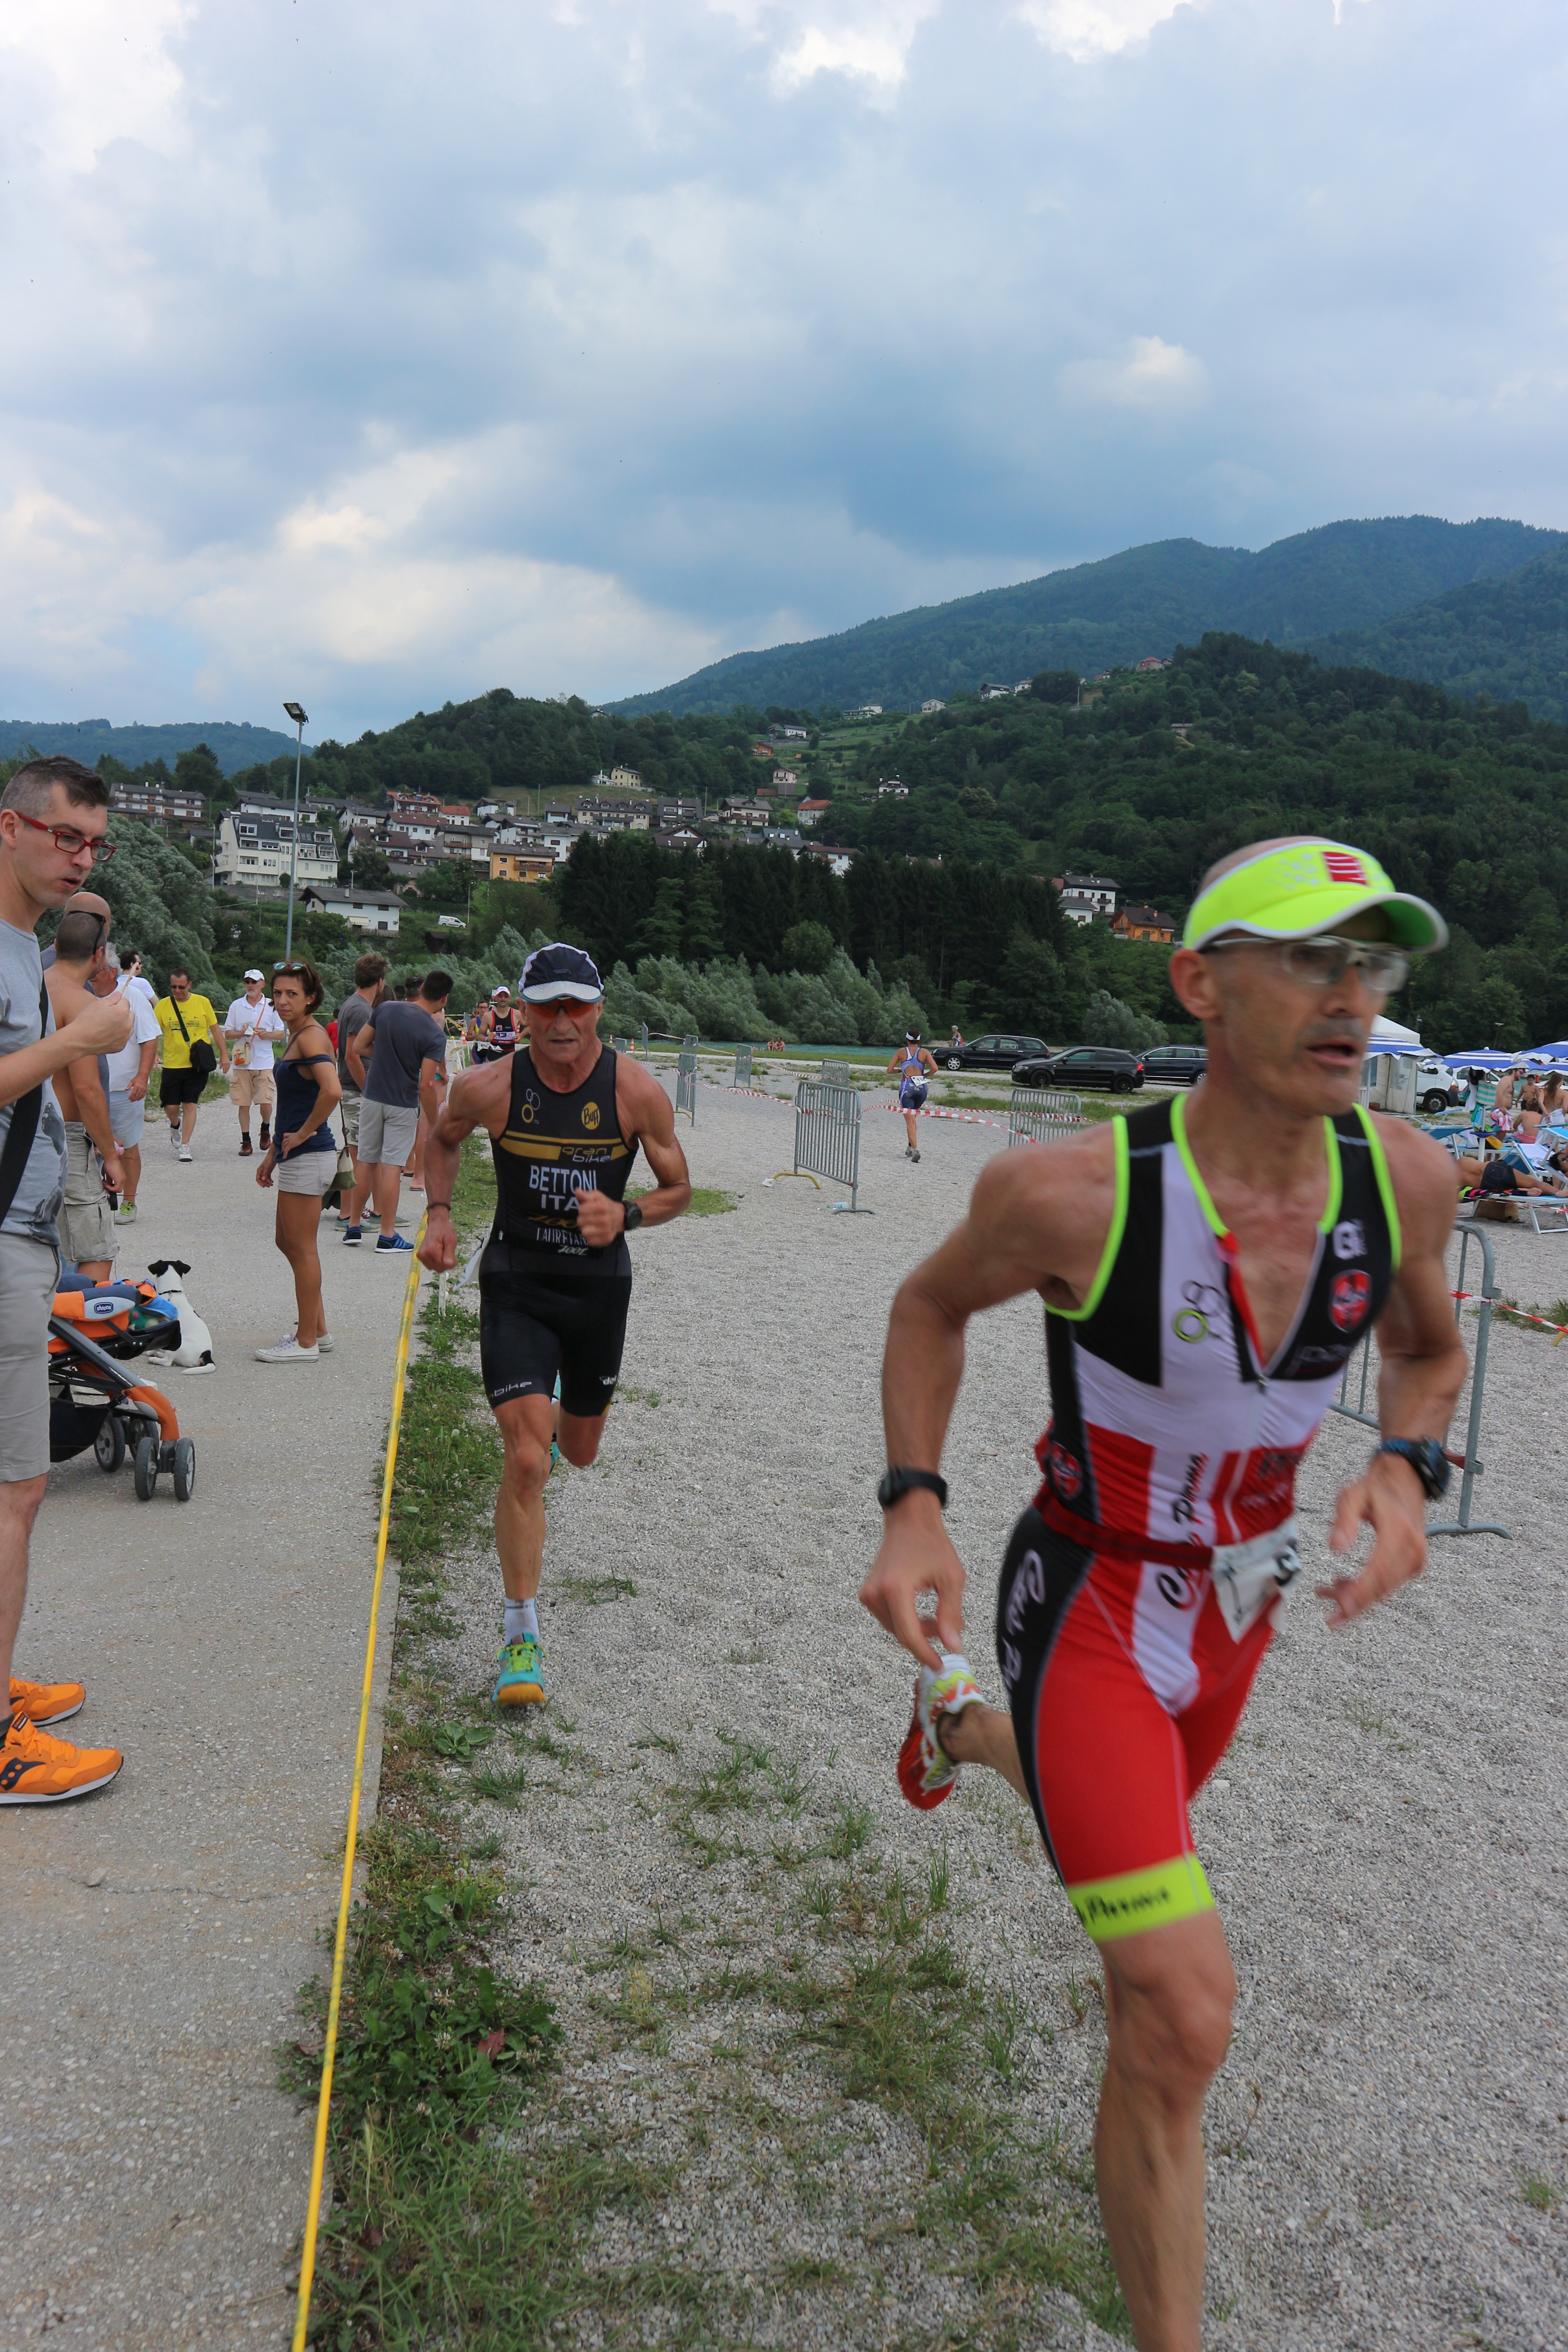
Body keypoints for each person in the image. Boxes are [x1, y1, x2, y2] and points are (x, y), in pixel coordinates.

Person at [858, 837, 1468, 2352]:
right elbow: (928, 1305)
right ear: (1200, 982)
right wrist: (913, 1502)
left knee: (1133, 1967)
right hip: (1087, 1604)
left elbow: (1428, 1348)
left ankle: (954, 1724)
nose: (1352, 998)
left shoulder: (1399, 1178)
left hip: (1239, 1614)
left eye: (1372, 966)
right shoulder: (1071, 1191)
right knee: (1182, 2008)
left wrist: (1400, 1466)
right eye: (1312, 959)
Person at [418, 942, 691, 1710]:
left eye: (578, 1004)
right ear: (524, 1011)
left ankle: (566, 1392)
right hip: (518, 1282)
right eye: (548, 1005)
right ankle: (519, 1632)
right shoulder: (489, 1086)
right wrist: (439, 1212)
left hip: (598, 1290)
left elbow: (680, 1188)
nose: (564, 1021)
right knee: (528, 1461)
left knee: (579, 1449)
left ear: (600, 1006)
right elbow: (441, 1142)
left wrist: (627, 1212)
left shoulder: (636, 1092)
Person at [0, 755, 131, 1802]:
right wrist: (79, 1038)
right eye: (63, 838)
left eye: (95, 844)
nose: (80, 860)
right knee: (16, 1487)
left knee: (18, 1487)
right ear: (12, 827)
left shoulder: (24, 949)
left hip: (18, 1231)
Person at [254, 961, 342, 1363]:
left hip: (311, 1155)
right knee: (285, 1241)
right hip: (294, 1156)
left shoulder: (310, 1038)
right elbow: (292, 1103)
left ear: (311, 998)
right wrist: (273, 1153)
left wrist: (304, 1134)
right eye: (278, 993)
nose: (283, 1000)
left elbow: (333, 1091)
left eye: (293, 994)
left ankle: (306, 1342)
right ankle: (318, 1329)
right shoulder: (296, 1038)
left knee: (303, 1248)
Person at [343, 968, 451, 1254]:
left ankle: (353, 1226)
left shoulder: (387, 1009)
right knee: (392, 1167)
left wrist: (384, 1056)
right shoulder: (434, 1033)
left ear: (423, 987)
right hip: (402, 1103)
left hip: (371, 1097)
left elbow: (359, 1046)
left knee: (365, 1161)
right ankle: (387, 1236)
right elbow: (428, 1084)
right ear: (444, 999)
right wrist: (436, 1121)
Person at [44, 906, 125, 1284]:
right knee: (96, 1250)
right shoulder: (81, 1005)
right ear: (98, 955)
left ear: (57, 944)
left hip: (21, 1131)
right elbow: (88, 1090)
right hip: (67, 1139)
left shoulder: (32, 986)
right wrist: (111, 1156)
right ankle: (79, 1341)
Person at [103, 942, 158, 1225]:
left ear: (112, 971)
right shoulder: (80, 994)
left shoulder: (133, 996)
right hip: (89, 1088)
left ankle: (130, 1202)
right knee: (87, 1146)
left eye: (98, 970)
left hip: (123, 1088)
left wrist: (142, 1077)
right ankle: (95, 1201)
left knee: (128, 1146)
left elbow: (149, 1038)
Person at [154, 966, 228, 1160]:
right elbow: (152, 1033)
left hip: (197, 1065)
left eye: (181, 987)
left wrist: (225, 1055)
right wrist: (153, 1053)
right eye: (173, 987)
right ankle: (175, 1125)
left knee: (190, 1104)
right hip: (172, 1064)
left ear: (190, 985)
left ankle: (185, 1146)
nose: (177, 991)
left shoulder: (202, 1003)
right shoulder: (163, 1005)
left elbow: (216, 1030)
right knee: (170, 1106)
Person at [334, 952, 387, 1225]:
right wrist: (368, 1089)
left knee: (368, 1151)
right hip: (356, 1089)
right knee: (358, 1152)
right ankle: (348, 1215)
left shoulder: (354, 1005)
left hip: (356, 1088)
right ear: (380, 981)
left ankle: (378, 1211)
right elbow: (352, 1055)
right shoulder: (361, 1010)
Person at [224, 967, 287, 1157]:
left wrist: (267, 1034)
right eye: (247, 982)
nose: (250, 985)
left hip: (264, 1061)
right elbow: (228, 1033)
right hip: (242, 1061)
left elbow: (282, 1033)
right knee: (243, 1103)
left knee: (266, 1101)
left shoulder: (271, 1006)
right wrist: (241, 1033)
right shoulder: (237, 1006)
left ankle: (265, 1128)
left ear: (262, 984)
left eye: (253, 982)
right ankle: (246, 1141)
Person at [887, 1029, 937, 1162]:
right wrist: (925, 1075)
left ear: (907, 1039)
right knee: (913, 1118)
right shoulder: (925, 1052)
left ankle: (915, 1150)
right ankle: (910, 1146)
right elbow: (935, 1068)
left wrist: (899, 1070)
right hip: (922, 1088)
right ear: (919, 1040)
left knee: (910, 1120)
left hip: (907, 1086)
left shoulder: (901, 1052)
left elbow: (889, 1070)